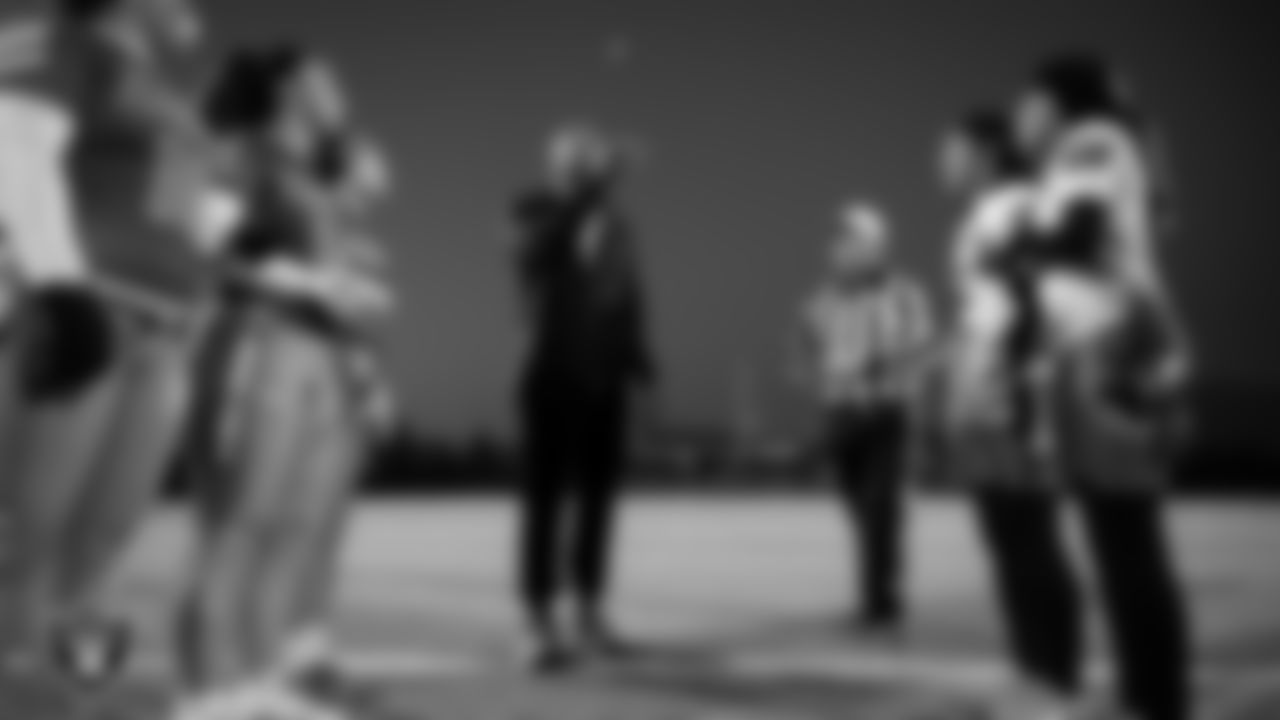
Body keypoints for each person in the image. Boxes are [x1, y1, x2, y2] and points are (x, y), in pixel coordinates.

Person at [0, 0, 220, 684]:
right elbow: (13, 147)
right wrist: (58, 289)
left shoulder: (162, 87)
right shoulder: (64, 38)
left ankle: (67, 691)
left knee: (105, 535)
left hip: (163, 329)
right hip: (87, 311)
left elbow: (180, 210)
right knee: (27, 531)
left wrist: (201, 292)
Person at [171, 44, 392, 720]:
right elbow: (200, 241)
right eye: (327, 75)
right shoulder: (242, 151)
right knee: (239, 524)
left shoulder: (309, 172)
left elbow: (312, 262)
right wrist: (312, 279)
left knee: (292, 530)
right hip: (258, 342)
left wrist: (357, 335)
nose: (339, 87)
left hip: (319, 352)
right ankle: (207, 694)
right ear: (291, 87)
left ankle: (262, 681)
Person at [510, 124, 657, 671]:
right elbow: (535, 256)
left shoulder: (616, 223)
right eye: (573, 159)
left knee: (598, 502)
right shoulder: (534, 210)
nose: (585, 166)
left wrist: (639, 358)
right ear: (554, 166)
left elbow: (627, 290)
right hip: (551, 371)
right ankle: (535, 617)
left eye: (588, 159)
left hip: (604, 377)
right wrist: (584, 195)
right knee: (544, 502)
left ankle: (589, 609)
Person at [791, 202, 933, 631]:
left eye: (851, 241)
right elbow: (807, 351)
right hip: (841, 413)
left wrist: (891, 378)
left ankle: (881, 602)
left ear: (876, 246)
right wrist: (821, 384)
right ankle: (876, 593)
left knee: (881, 508)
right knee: (858, 507)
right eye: (838, 242)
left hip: (886, 412)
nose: (840, 250)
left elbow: (921, 350)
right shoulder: (821, 300)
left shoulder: (904, 295)